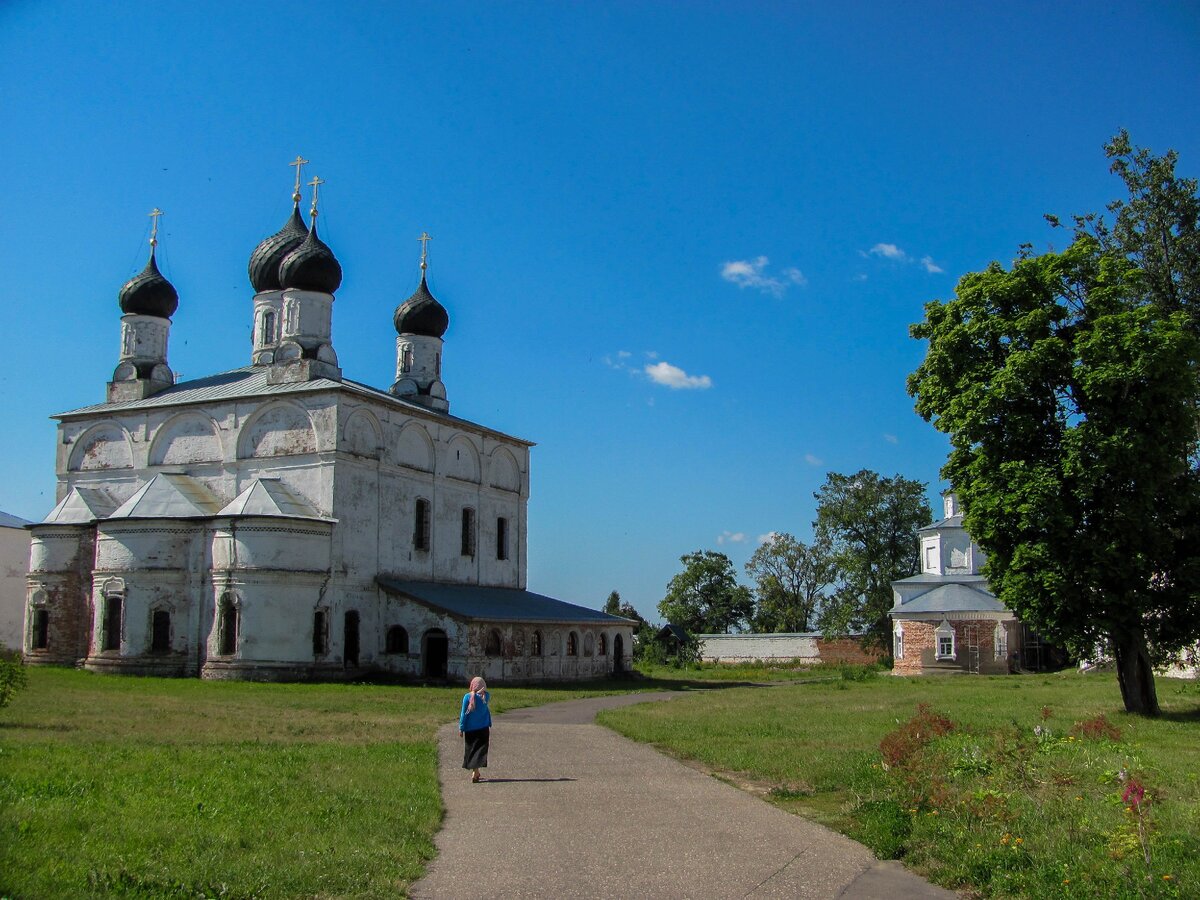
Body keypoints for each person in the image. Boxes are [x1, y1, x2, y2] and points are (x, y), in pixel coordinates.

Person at [459, 675, 491, 783]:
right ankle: (476, 772)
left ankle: (475, 771)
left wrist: (461, 728)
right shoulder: (486, 696)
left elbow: (464, 714)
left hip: (470, 729)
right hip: (483, 728)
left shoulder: (467, 697)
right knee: (480, 750)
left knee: (471, 749)